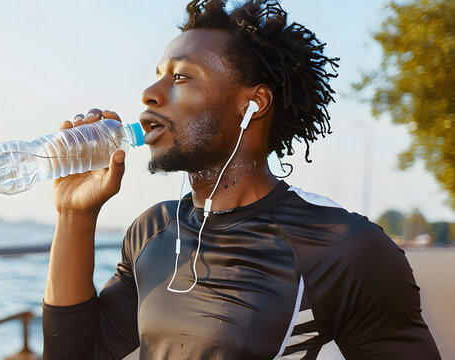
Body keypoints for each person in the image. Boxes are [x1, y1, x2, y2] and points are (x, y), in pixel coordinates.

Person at [41, 0, 441, 359]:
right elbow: (75, 354)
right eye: (158, 76)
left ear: (252, 104)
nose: (149, 93)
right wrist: (73, 215)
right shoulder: (152, 231)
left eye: (181, 78)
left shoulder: (343, 247)